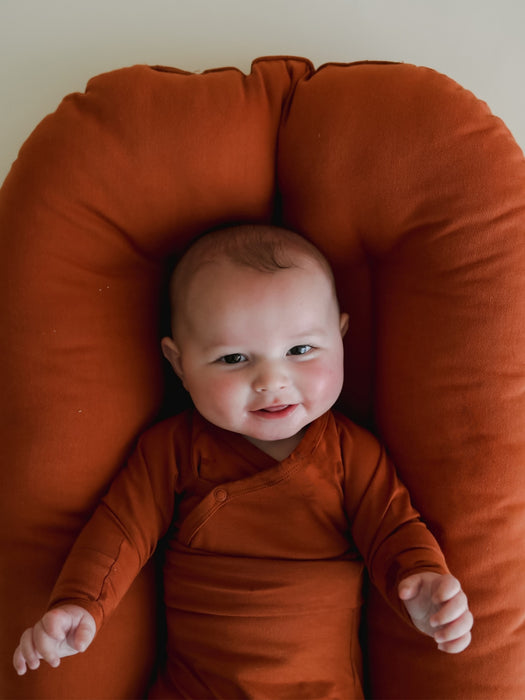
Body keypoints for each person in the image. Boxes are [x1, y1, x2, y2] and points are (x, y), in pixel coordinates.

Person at [13, 225, 473, 699]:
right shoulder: (173, 449)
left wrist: (419, 580)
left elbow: (393, 529)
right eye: (234, 358)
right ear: (179, 365)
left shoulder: (350, 453)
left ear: (340, 337)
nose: (271, 380)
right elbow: (119, 530)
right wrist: (80, 603)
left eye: (300, 350)